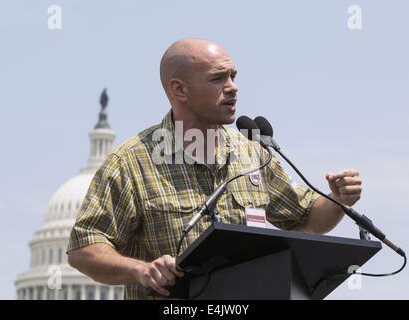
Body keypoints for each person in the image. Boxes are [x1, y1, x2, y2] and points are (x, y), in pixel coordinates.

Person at [67, 38, 363, 300]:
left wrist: (337, 199)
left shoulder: (254, 153)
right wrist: (141, 269)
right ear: (179, 89)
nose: (232, 87)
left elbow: (307, 219)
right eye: (217, 79)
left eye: (233, 76)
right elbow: (84, 249)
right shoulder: (131, 163)